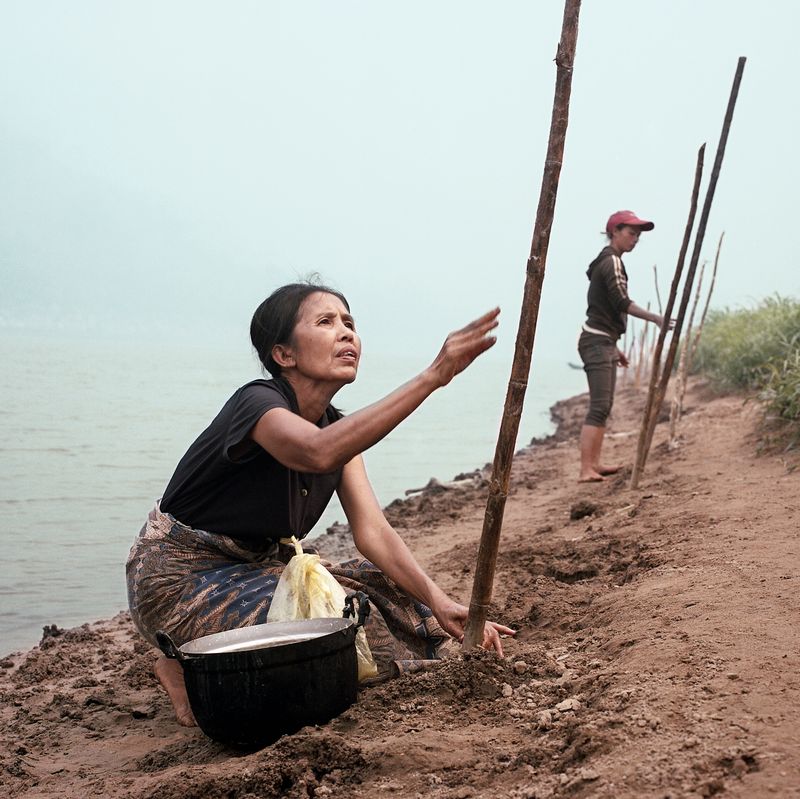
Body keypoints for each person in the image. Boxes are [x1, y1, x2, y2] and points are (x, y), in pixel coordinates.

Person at [127, 281, 516, 726]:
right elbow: (316, 451)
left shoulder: (339, 429)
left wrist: (440, 601)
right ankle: (181, 664)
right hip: (178, 577)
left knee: (383, 592)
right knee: (345, 633)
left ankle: (195, 656)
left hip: (253, 568)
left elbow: (373, 533)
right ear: (284, 354)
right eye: (326, 322)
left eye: (349, 323)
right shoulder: (257, 404)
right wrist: (432, 377)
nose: (346, 333)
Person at [577, 210, 673, 483]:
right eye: (631, 233)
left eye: (638, 236)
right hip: (596, 341)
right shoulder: (612, 263)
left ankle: (594, 464)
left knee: (603, 405)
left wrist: (613, 346)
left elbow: (603, 308)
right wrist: (655, 318)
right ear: (615, 232)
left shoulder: (605, 262)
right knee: (599, 406)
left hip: (601, 340)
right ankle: (586, 469)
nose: (635, 240)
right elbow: (621, 302)